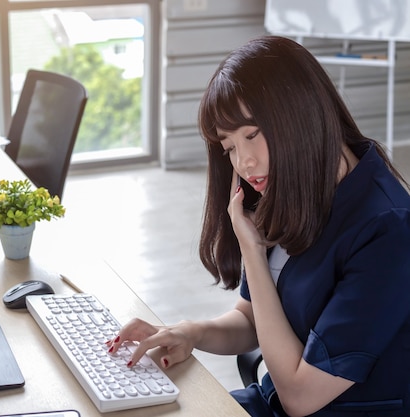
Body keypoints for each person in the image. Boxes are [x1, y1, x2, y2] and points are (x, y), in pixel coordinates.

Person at [106, 36, 410, 417]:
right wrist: (191, 332)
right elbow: (252, 319)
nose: (244, 163)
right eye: (229, 147)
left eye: (251, 135)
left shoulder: (388, 230)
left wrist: (251, 248)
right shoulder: (293, 185)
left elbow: (300, 397)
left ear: (300, 113)